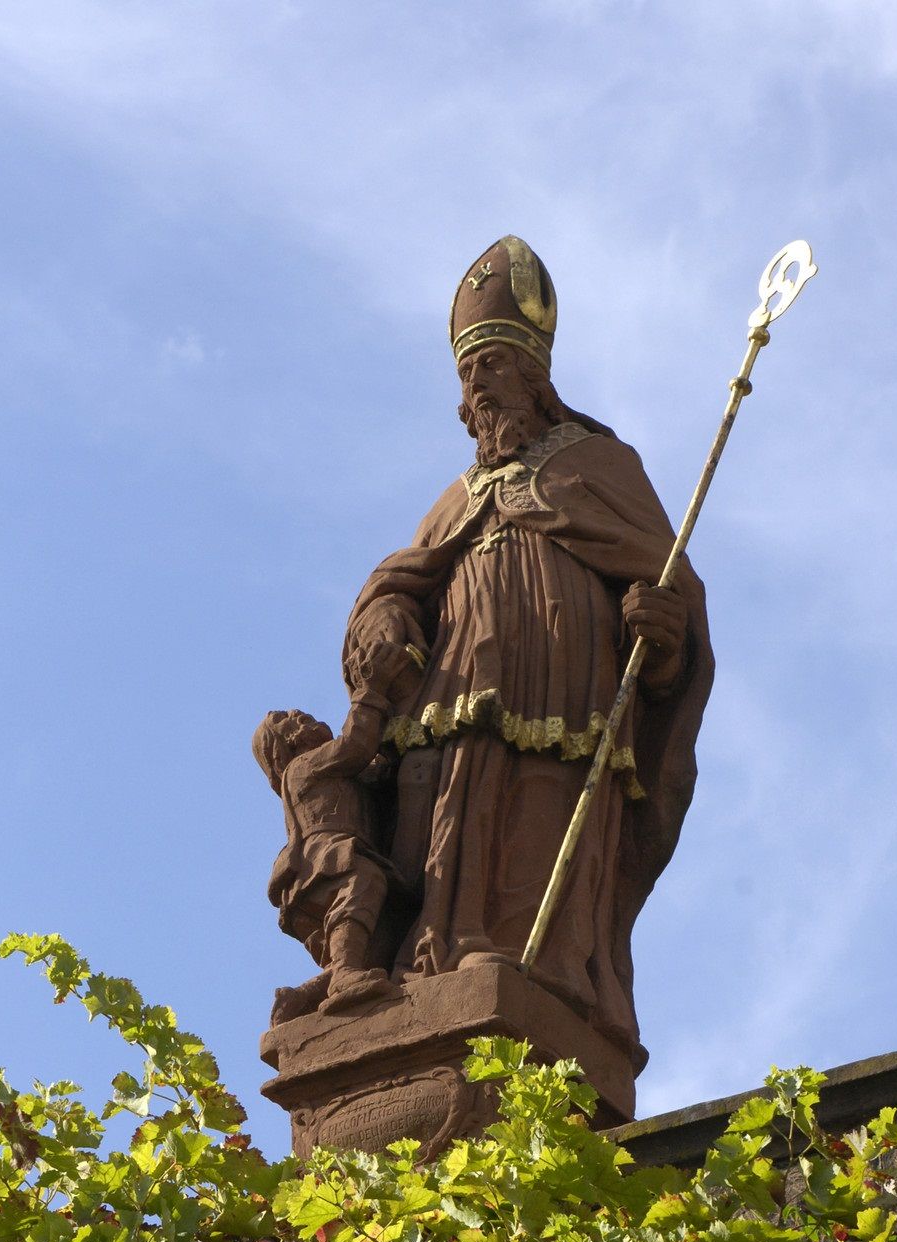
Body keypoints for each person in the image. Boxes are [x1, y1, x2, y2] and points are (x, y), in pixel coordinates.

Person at [340, 236, 716, 1067]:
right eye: (469, 377)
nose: (478, 388)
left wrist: (659, 638)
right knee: (440, 831)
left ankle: (545, 971)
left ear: (537, 377)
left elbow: (670, 609)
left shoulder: (599, 465)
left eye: (496, 367)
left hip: (565, 707)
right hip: (450, 708)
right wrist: (383, 617)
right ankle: (430, 956)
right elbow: (399, 581)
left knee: (539, 822)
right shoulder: (454, 501)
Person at [252, 656, 411, 1022]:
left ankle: (300, 999)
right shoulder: (305, 766)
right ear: (284, 751)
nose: (300, 716)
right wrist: (372, 691)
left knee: (376, 945)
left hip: (327, 869)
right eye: (289, 721)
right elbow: (355, 745)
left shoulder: (335, 773)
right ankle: (343, 981)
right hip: (327, 862)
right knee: (365, 881)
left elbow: (373, 774)